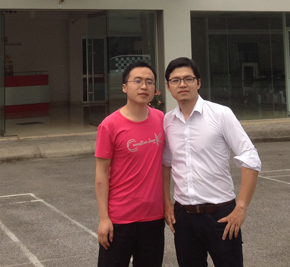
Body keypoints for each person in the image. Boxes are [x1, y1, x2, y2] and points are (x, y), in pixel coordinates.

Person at [162, 57, 261, 267]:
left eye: (188, 79)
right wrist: (166, 202)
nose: (182, 84)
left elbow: (250, 157)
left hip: (221, 216)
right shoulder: (168, 121)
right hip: (183, 218)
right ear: (168, 86)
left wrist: (241, 207)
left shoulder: (221, 114)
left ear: (198, 82)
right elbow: (166, 162)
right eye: (175, 80)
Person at [95, 61, 165, 267]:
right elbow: (101, 174)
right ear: (125, 87)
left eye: (149, 82)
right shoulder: (109, 125)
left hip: (153, 218)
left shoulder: (161, 119)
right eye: (138, 81)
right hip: (119, 220)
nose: (144, 86)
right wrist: (104, 219)